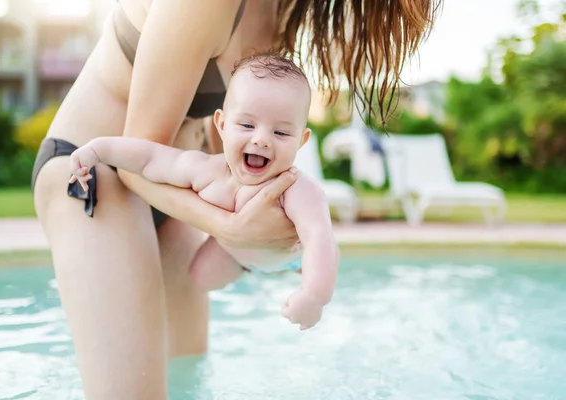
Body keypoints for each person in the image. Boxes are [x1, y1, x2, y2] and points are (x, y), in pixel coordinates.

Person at [31, 0, 441, 398]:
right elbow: (140, 158)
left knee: (187, 375)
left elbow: (234, 136)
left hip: (183, 193)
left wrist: (259, 221)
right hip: (96, 169)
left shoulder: (281, 12)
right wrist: (231, 228)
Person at [69, 53, 339, 331]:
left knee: (321, 259)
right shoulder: (206, 171)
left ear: (302, 140)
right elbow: (151, 158)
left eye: (281, 133)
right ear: (221, 125)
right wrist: (98, 149)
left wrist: (314, 297)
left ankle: (299, 271)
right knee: (200, 277)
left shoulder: (296, 189)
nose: (261, 140)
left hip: (291, 254)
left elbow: (320, 238)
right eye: (247, 125)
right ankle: (246, 267)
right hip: (236, 254)